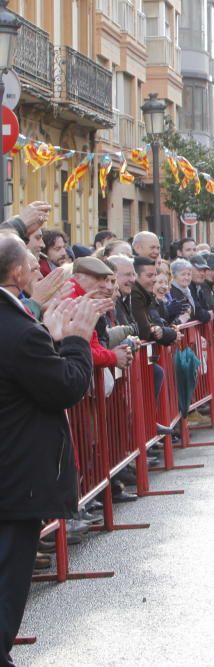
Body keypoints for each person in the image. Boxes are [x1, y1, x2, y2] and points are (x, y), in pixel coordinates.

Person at [0, 236, 103, 666]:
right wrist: (78, 340)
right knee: (7, 579)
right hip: (14, 479)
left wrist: (49, 332)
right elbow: (64, 386)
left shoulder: (23, 326)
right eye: (34, 265)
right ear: (18, 273)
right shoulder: (18, 331)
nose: (43, 272)